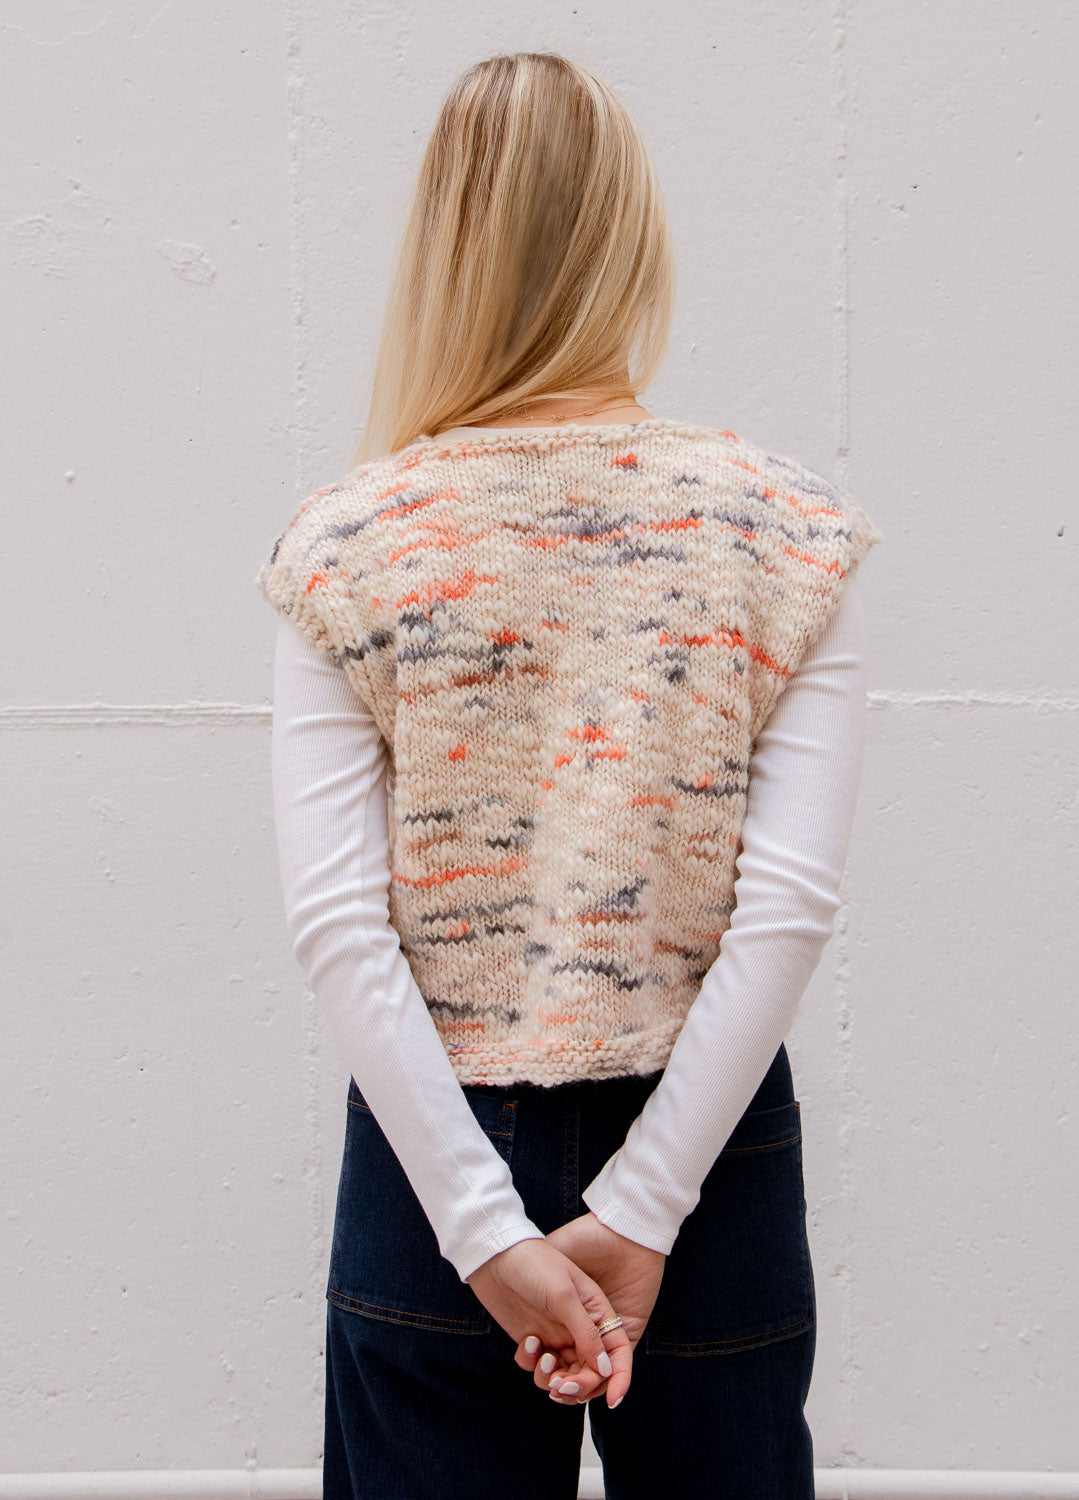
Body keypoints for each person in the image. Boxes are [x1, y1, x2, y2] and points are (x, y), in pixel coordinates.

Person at [254, 49, 882, 1500]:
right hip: (708, 1152)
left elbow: (339, 925)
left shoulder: (347, 541)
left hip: (433, 1151)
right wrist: (646, 1205)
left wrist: (482, 1231)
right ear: (634, 239)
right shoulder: (783, 527)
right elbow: (786, 907)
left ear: (440, 249)